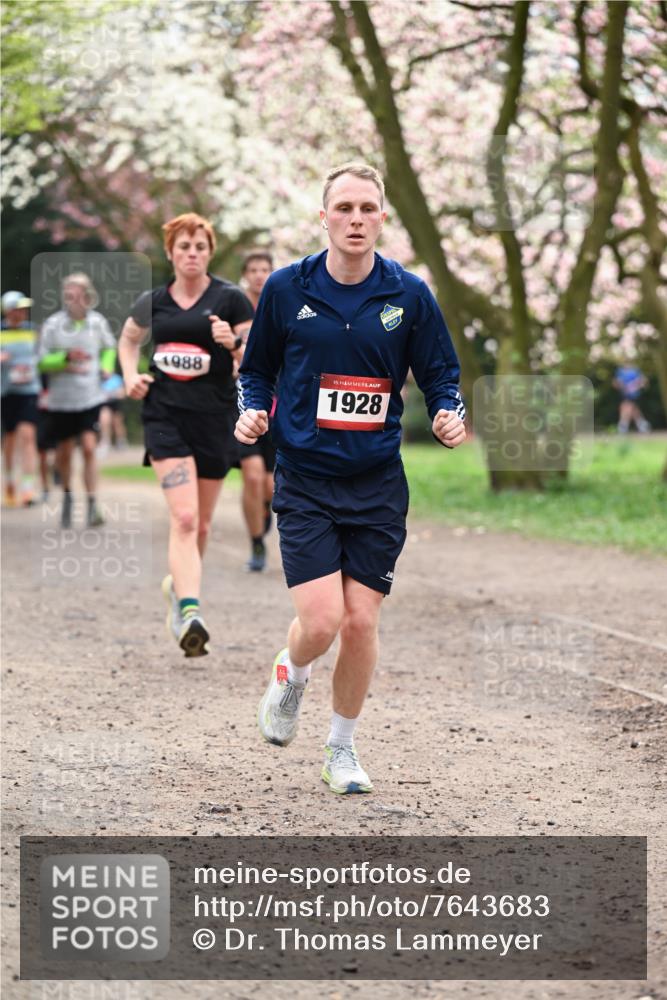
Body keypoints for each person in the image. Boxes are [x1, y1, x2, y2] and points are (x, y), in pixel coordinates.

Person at [236, 163, 466, 794]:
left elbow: (442, 374)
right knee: (320, 624)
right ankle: (292, 673)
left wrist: (449, 411)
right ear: (324, 216)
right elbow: (255, 372)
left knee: (361, 621)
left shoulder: (409, 294)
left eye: (367, 208)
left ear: (382, 217)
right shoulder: (286, 289)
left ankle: (341, 748)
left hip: (376, 483)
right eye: (344, 208)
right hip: (306, 478)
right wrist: (251, 411)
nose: (356, 219)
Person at [119, 213, 253, 658]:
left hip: (214, 418)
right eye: (183, 247)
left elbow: (254, 361)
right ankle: (189, 610)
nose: (191, 253)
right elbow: (129, 339)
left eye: (199, 246)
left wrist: (232, 344)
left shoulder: (231, 300)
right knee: (185, 518)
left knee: (203, 523)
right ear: (171, 253)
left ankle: (178, 589)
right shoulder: (153, 301)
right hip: (165, 417)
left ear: (209, 252)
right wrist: (129, 376)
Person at [39, 274, 116, 527]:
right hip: (62, 400)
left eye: (78, 295)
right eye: (68, 296)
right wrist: (64, 359)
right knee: (64, 453)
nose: (73, 301)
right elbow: (41, 360)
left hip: (90, 396)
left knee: (90, 447)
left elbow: (109, 348)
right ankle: (68, 496)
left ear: (87, 296)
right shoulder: (53, 325)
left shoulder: (97, 322)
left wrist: (105, 367)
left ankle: (93, 504)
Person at [238, 251, 276, 571]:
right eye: (253, 270)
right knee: (251, 476)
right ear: (245, 274)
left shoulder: (282, 304)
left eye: (265, 269)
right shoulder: (234, 309)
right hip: (241, 405)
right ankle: (256, 543)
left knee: (269, 484)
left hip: (278, 405)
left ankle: (265, 510)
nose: (259, 275)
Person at [1, 291, 40, 506]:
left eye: (25, 308)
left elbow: (41, 357)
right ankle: (8, 480)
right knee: (9, 440)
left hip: (29, 390)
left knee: (27, 436)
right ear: (9, 311)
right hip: (6, 392)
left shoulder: (33, 331)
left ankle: (27, 488)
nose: (23, 312)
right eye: (19, 308)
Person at [613, 363, 651, 433]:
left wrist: (637, 386)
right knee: (632, 409)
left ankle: (623, 426)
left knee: (626, 406)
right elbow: (616, 383)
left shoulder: (636, 370)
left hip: (634, 393)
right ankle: (642, 424)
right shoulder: (620, 371)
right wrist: (621, 386)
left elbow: (643, 381)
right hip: (625, 393)